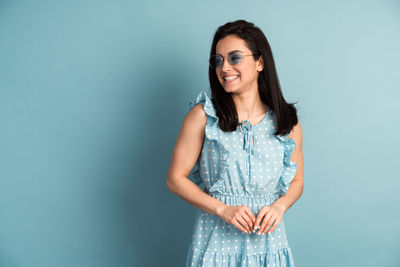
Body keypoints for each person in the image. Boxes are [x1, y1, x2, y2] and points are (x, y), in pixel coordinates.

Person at [166, 19, 304, 266]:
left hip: (269, 245)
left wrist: (279, 207)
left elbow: (296, 181)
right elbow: (175, 179)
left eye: (234, 58)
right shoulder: (202, 117)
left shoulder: (286, 122)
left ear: (260, 62)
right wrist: (223, 209)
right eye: (218, 60)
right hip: (214, 245)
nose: (224, 68)